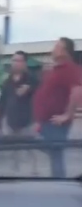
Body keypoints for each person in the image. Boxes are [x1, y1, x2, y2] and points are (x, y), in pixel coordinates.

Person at [32, 37, 82, 178]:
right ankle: (58, 181)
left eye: (56, 46)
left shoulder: (70, 68)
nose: (53, 49)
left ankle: (59, 183)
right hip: (47, 122)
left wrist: (67, 115)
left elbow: (78, 90)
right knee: (54, 154)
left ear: (64, 51)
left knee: (56, 155)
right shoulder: (57, 69)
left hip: (55, 123)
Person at [0, 51, 39, 172]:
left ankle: (34, 170)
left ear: (24, 63)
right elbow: (2, 101)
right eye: (13, 60)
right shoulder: (7, 81)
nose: (15, 63)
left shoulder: (31, 79)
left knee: (30, 147)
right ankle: (15, 170)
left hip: (27, 120)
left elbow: (41, 89)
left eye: (18, 60)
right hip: (11, 120)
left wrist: (29, 88)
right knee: (14, 148)